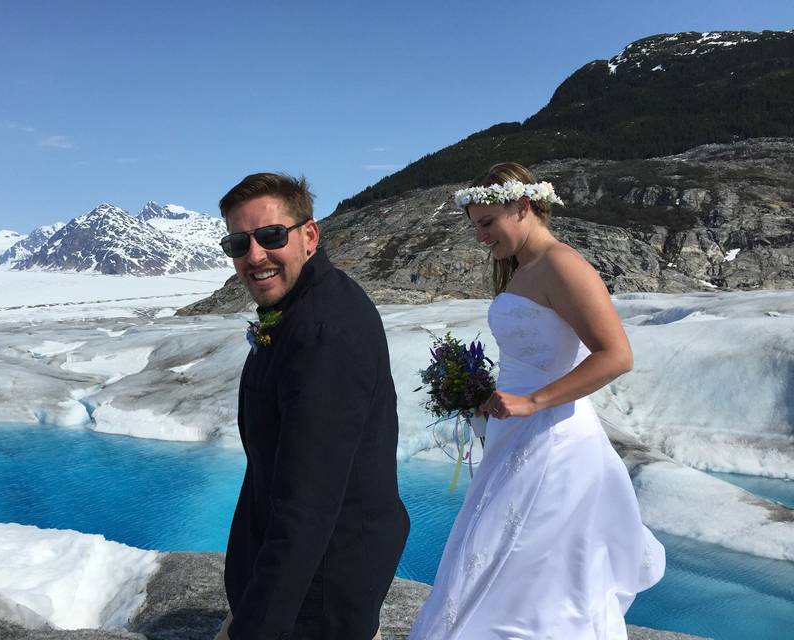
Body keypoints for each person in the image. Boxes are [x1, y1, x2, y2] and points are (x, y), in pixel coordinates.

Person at [408, 163, 665, 639]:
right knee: (497, 558)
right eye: (475, 227)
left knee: (535, 570)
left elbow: (616, 355)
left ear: (523, 206)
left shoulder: (561, 264)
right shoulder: (524, 268)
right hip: (516, 433)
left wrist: (533, 402)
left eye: (488, 223)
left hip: (555, 440)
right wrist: (484, 394)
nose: (481, 237)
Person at [214, 173, 410, 640]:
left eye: (270, 236)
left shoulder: (324, 333)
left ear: (309, 235)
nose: (254, 255)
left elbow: (308, 505)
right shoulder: (305, 305)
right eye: (238, 244)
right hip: (309, 585)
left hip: (317, 596)